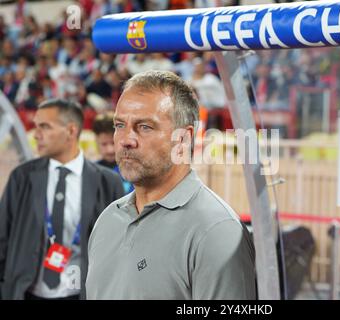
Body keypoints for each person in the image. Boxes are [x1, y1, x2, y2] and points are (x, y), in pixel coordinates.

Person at [86, 70, 256, 299]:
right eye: (119, 125)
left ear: (183, 139)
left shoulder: (216, 230)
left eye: (145, 127)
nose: (126, 140)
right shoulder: (107, 220)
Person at [0, 99, 124, 300]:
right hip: (26, 293)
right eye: (35, 126)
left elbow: (120, 249)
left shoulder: (108, 182)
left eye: (45, 127)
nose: (36, 134)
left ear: (71, 130)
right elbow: (2, 238)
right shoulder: (21, 177)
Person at [92, 112, 134, 194]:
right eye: (104, 144)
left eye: (113, 143)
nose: (110, 150)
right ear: (96, 142)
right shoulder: (90, 172)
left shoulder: (133, 169)